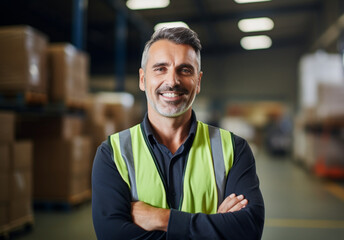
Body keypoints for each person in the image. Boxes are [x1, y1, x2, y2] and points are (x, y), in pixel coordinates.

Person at [92, 27, 265, 239]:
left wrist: (162, 218)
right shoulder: (113, 153)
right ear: (142, 79)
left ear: (198, 81)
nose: (172, 81)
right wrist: (214, 227)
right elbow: (112, 235)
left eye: (185, 70)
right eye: (160, 69)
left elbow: (248, 229)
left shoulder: (234, 149)